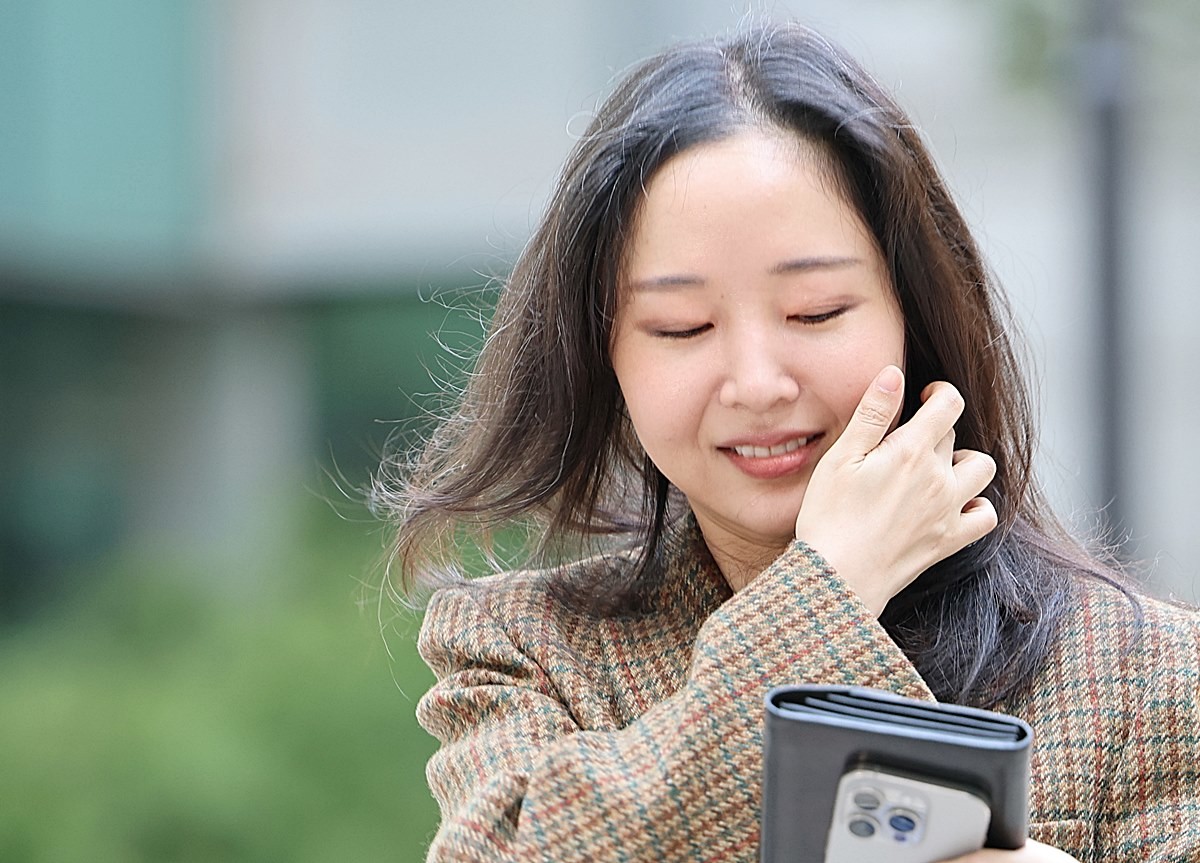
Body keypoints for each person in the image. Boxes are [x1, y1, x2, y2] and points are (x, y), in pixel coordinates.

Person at [375, 20, 1200, 863]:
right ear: (605, 356)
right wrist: (828, 588)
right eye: (682, 326)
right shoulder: (525, 650)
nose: (757, 381)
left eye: (815, 312)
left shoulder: (1144, 674)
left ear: (915, 314)